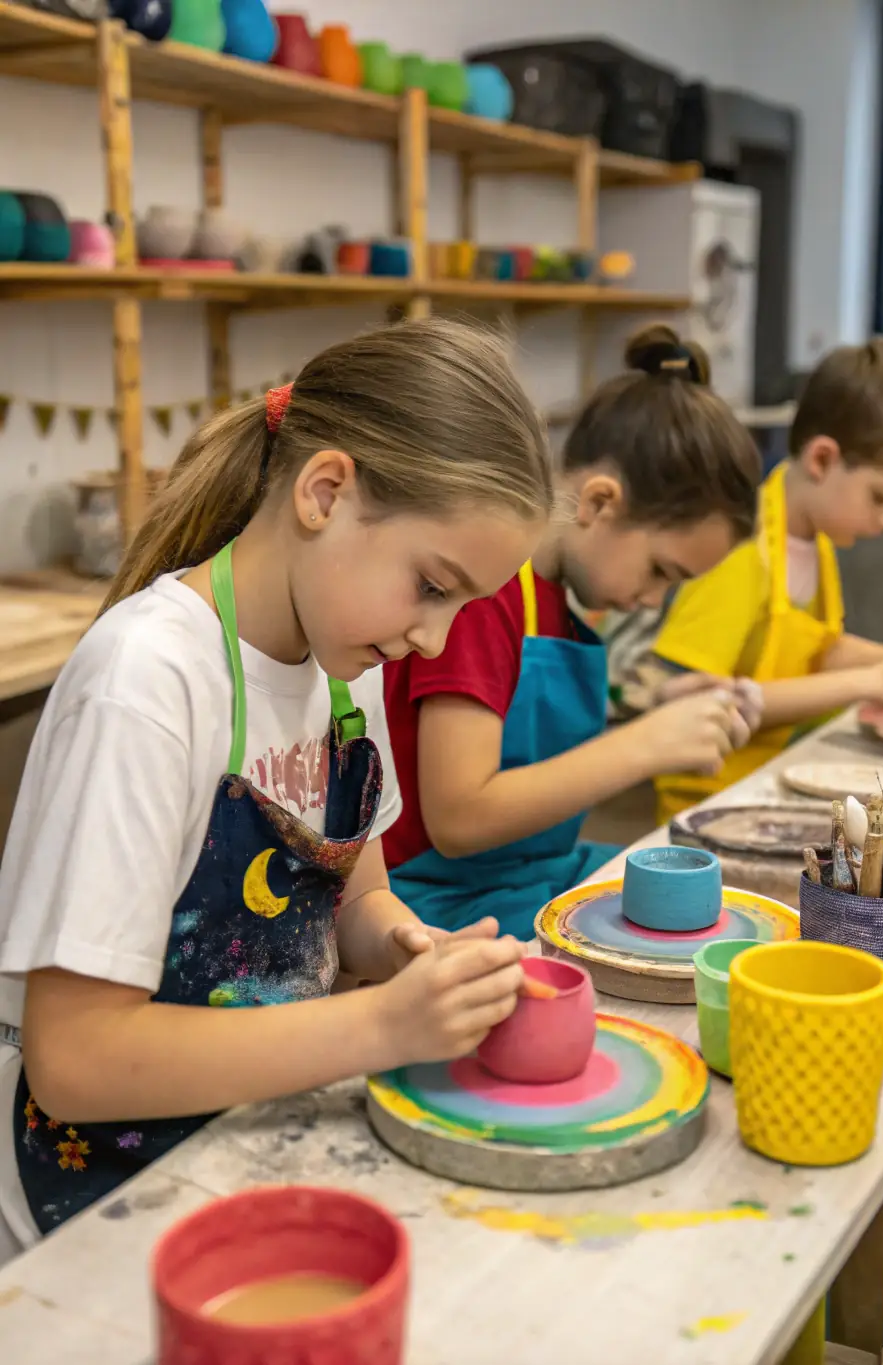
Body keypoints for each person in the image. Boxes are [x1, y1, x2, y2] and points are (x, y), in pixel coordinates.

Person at [0, 318, 553, 1256]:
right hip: (98, 1190)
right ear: (324, 491)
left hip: (245, 1131)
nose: (436, 640)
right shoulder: (148, 681)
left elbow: (358, 895)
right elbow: (76, 1060)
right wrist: (380, 1023)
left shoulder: (347, 672)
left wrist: (405, 949)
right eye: (431, 586)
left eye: (466, 607)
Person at [383, 325, 765, 939]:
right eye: (660, 572)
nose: (652, 600)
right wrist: (643, 745)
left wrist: (650, 710)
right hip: (436, 903)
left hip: (520, 875)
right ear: (599, 502)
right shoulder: (487, 592)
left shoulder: (552, 600)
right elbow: (460, 816)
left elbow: (525, 745)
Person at [643, 337, 883, 820]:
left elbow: (820, 648)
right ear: (821, 460)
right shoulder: (742, 550)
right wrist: (872, 679)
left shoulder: (815, 539)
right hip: (709, 803)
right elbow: (700, 700)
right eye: (881, 497)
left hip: (771, 779)